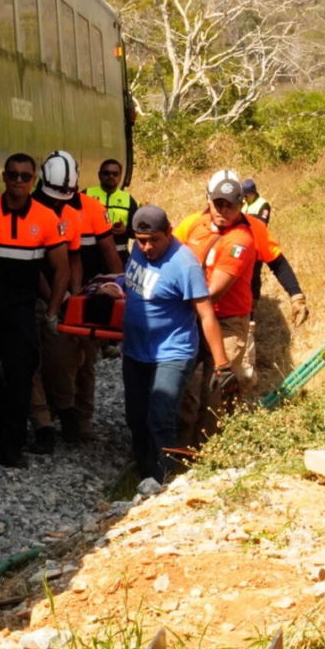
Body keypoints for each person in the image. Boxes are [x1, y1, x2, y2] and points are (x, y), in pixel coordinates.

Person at [0, 153, 70, 468]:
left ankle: (11, 446)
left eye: (25, 176)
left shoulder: (46, 218)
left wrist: (51, 311)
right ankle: (6, 428)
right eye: (13, 175)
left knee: (20, 374)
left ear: (33, 180)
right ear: (4, 177)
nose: (19, 181)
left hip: (22, 307)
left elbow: (60, 269)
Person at [123, 205, 236, 484]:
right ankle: (142, 473)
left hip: (172, 352)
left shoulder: (184, 264)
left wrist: (222, 364)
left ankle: (162, 480)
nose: (147, 247)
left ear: (169, 233)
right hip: (136, 350)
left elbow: (206, 313)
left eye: (154, 240)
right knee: (135, 416)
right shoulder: (138, 249)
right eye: (141, 240)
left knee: (161, 417)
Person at [29, 151, 122, 446]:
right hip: (41, 295)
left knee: (84, 361)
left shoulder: (82, 211)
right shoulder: (33, 210)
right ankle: (53, 419)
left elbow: (78, 258)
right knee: (51, 360)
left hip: (78, 294)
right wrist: (56, 303)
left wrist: (80, 295)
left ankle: (77, 420)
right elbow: (35, 267)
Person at [173, 169, 257, 449]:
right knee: (182, 385)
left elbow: (213, 292)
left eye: (230, 204)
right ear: (209, 200)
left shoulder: (240, 240)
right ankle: (179, 450)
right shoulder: (195, 225)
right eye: (218, 203)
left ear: (240, 205)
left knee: (216, 392)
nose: (223, 210)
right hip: (193, 317)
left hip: (227, 322)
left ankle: (209, 453)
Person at [85, 158, 139, 263]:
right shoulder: (86, 195)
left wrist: (125, 230)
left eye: (115, 174)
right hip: (89, 256)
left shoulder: (128, 200)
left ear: (120, 177)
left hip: (119, 256)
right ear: (99, 175)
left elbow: (137, 232)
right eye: (106, 173)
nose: (111, 176)